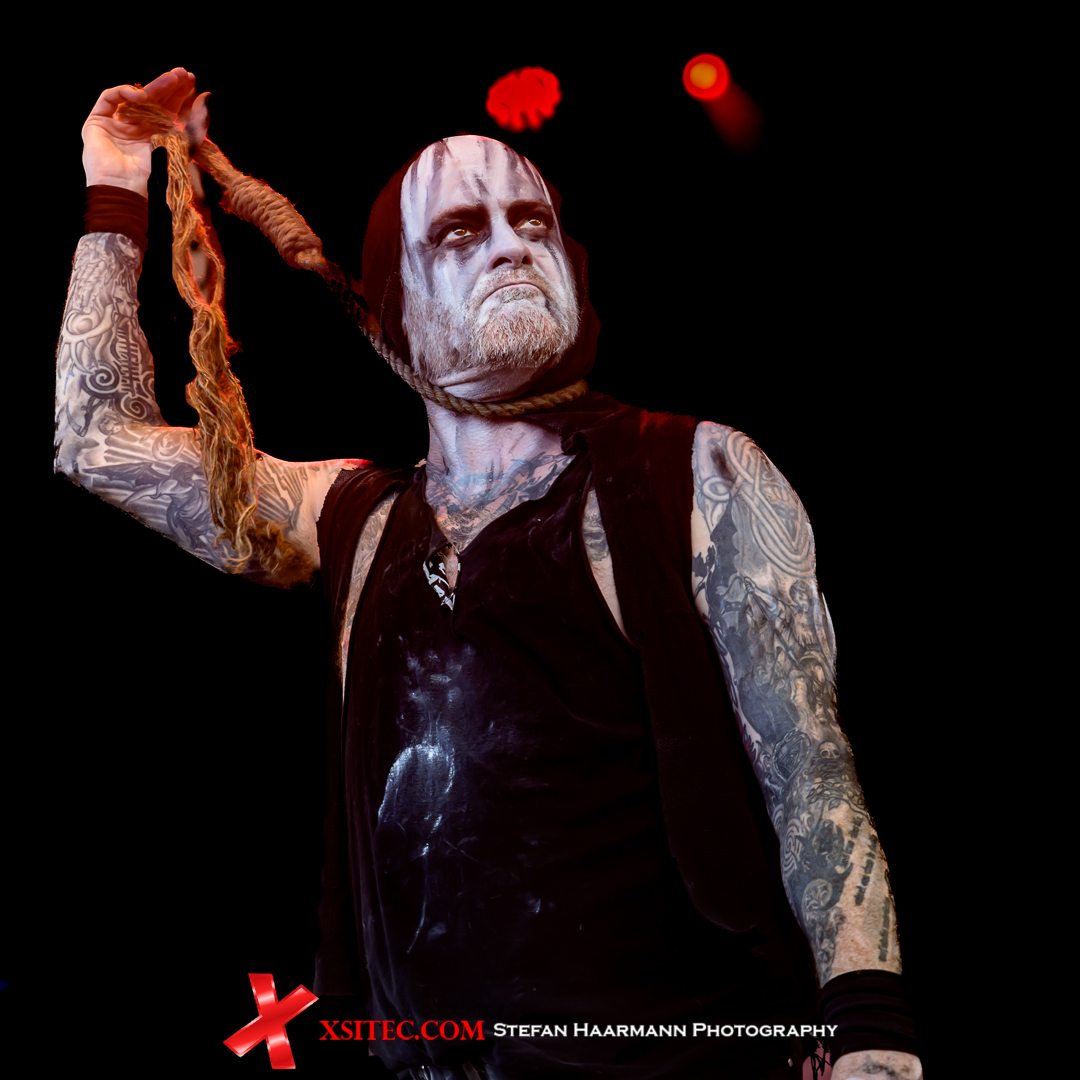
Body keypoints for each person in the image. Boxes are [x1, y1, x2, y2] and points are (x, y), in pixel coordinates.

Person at [55, 68, 923, 1080]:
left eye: (532, 221)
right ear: (395, 309)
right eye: (462, 232)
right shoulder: (351, 519)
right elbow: (96, 444)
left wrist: (870, 1027)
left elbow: (809, 769)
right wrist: (116, 183)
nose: (512, 244)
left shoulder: (696, 473)